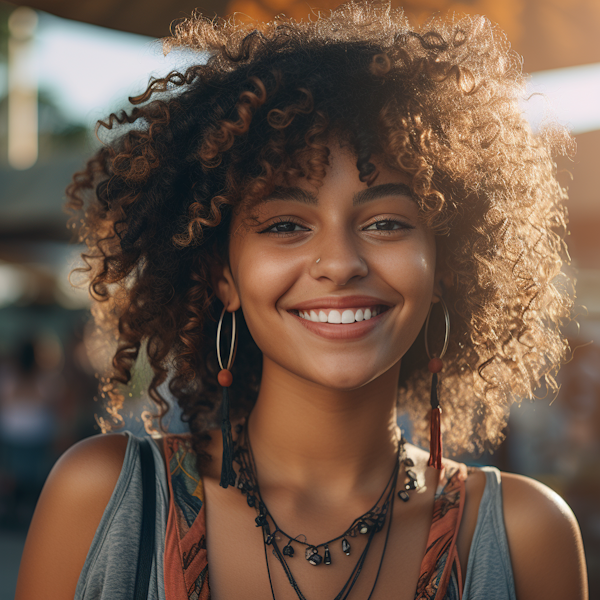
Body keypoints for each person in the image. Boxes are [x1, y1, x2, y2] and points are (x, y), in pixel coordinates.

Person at [16, 3, 588, 599]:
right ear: (222, 275)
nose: (340, 263)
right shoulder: (102, 500)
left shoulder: (525, 536)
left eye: (387, 223)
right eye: (286, 225)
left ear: (445, 266)